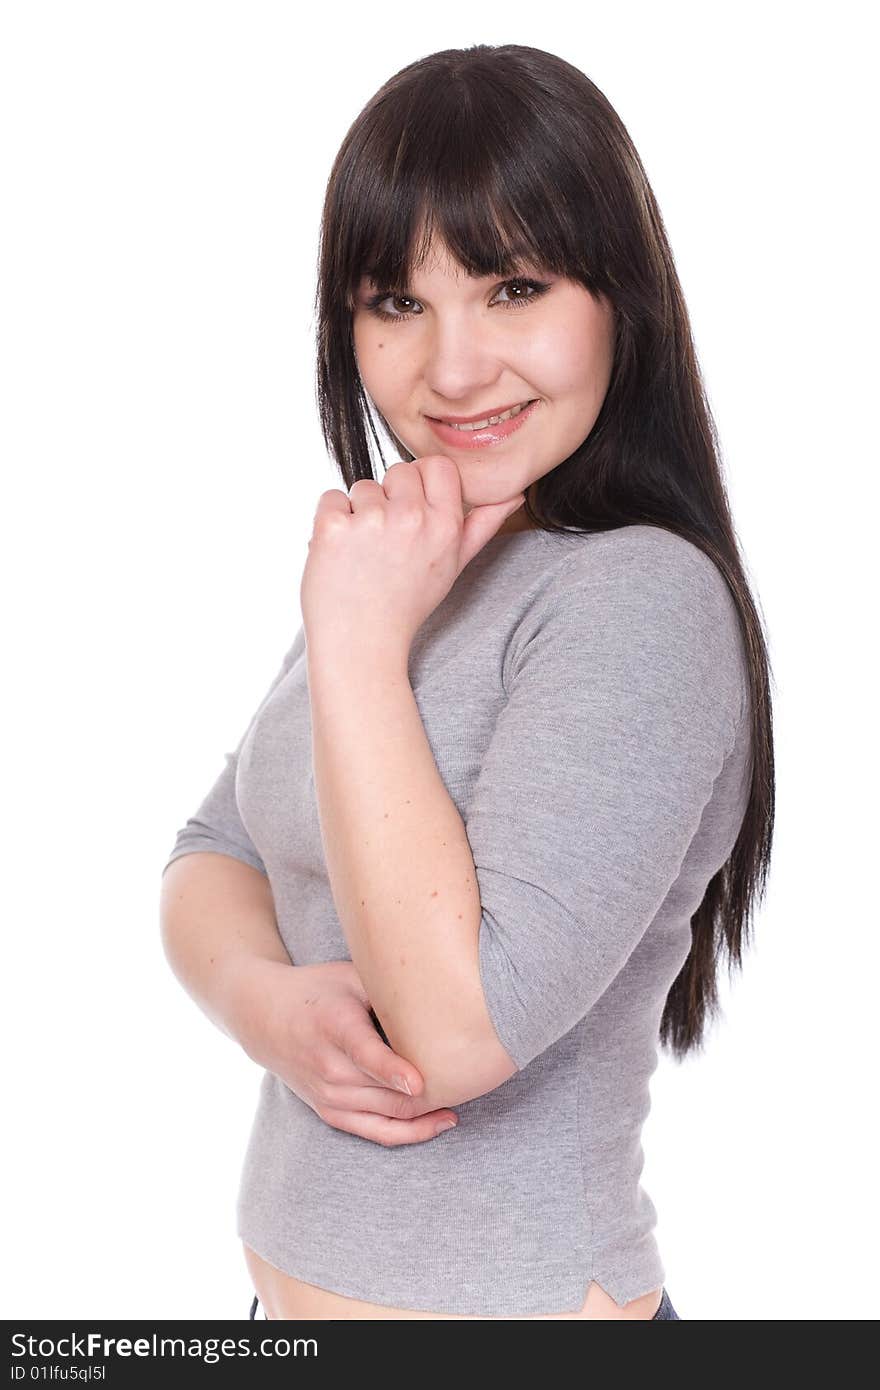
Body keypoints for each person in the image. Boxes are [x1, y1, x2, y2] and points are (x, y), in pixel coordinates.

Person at [160, 43, 774, 1322]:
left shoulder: (635, 598)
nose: (450, 369)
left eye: (513, 287)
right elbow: (214, 849)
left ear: (622, 299)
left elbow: (455, 1037)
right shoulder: (413, 557)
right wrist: (270, 1009)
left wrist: (354, 639)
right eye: (396, 301)